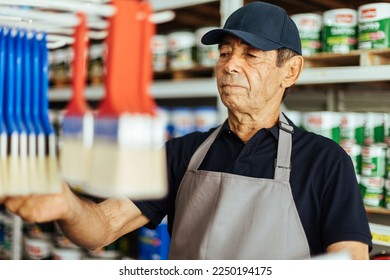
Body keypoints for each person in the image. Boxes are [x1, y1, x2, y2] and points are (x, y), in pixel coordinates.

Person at [0, 1, 372, 259]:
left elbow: (350, 261)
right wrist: (65, 202)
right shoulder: (181, 153)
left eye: (250, 55)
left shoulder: (325, 161)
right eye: (225, 53)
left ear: (290, 71)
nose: (230, 66)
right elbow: (102, 230)